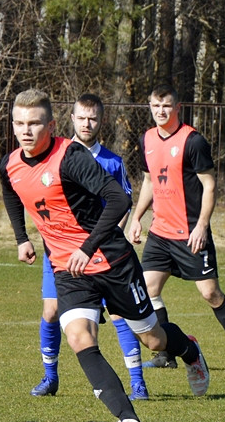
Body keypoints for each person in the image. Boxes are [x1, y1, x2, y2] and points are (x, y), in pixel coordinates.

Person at [1, 89, 210, 422]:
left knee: (153, 339)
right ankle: (130, 421)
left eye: (34, 123)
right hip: (69, 269)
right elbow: (10, 190)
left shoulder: (72, 157)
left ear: (51, 125)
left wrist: (87, 246)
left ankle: (188, 350)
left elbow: (119, 199)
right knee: (79, 336)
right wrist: (22, 237)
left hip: (113, 261)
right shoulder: (10, 164)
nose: (26, 131)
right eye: (19, 123)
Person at [129, 84, 225, 375]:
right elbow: (150, 182)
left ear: (178, 108)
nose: (161, 111)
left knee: (211, 293)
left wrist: (202, 225)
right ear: (150, 108)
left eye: (166, 106)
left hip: (190, 232)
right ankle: (166, 354)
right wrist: (137, 217)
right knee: (148, 289)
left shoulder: (193, 141)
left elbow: (210, 185)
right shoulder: (147, 139)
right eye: (155, 106)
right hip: (160, 233)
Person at [30, 94, 148, 401]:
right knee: (51, 311)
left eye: (93, 118)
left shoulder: (112, 162)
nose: (86, 123)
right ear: (72, 118)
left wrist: (109, 242)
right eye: (81, 117)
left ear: (101, 121)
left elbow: (121, 203)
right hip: (60, 254)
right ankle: (50, 377)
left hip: (104, 253)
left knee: (121, 314)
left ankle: (137, 381)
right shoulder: (52, 157)